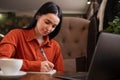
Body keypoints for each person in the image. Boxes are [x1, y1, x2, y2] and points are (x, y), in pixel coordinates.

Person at [0, 1, 64, 72]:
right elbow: (2, 60)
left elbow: (60, 73)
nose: (49, 29)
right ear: (38, 16)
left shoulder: (55, 46)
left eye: (53, 26)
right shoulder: (16, 35)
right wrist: (35, 66)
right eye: (47, 22)